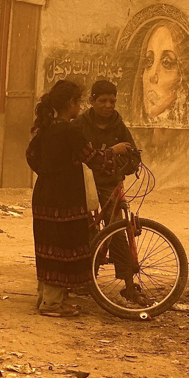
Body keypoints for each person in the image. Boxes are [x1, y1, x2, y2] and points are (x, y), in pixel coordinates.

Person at [26, 79, 131, 318]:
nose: (80, 107)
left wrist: (48, 172)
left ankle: (47, 297)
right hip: (65, 197)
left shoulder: (47, 128)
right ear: (71, 103)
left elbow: (31, 155)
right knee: (63, 247)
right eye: (79, 102)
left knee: (48, 245)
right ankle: (52, 304)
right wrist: (113, 152)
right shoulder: (70, 130)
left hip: (44, 194)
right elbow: (93, 158)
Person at [74, 80, 142, 301]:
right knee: (87, 228)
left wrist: (126, 163)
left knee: (117, 230)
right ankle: (87, 278)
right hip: (84, 183)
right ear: (91, 101)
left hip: (109, 183)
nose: (108, 105)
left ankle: (128, 284)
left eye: (112, 101)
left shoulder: (118, 124)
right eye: (102, 101)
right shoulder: (80, 124)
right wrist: (111, 152)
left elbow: (132, 154)